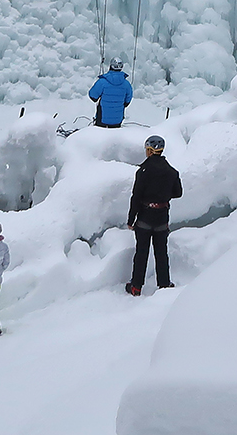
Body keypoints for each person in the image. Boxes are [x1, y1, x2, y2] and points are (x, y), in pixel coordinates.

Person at [125, 134, 182, 296]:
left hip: (144, 217)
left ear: (150, 150)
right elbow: (178, 193)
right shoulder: (172, 172)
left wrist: (131, 219)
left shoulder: (143, 171)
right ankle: (164, 285)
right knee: (161, 253)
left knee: (141, 253)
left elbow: (136, 197)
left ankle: (136, 286)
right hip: (162, 217)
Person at [89, 58, 133, 128]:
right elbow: (127, 102)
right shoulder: (126, 84)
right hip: (117, 121)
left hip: (102, 120)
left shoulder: (102, 82)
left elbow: (93, 96)